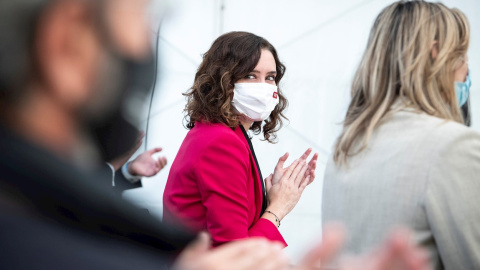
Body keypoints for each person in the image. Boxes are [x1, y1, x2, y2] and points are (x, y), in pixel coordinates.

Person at [322, 1, 478, 269]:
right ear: (436, 54)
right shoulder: (453, 144)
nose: (467, 71)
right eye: (462, 57)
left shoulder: (348, 144)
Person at [163, 31, 319, 247]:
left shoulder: (220, 133)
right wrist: (278, 207)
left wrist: (269, 197)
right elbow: (233, 252)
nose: (264, 86)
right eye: (251, 76)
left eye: (270, 77)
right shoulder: (221, 142)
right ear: (223, 79)